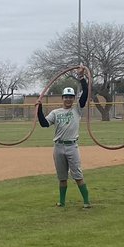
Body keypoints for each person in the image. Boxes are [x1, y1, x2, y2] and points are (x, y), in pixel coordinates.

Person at [36, 76, 91, 208]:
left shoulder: (77, 110)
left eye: (70, 97)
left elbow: (84, 96)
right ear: (62, 98)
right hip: (59, 147)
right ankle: (62, 202)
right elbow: (44, 124)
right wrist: (39, 108)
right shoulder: (56, 112)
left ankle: (86, 202)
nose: (68, 99)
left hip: (72, 146)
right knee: (62, 178)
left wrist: (82, 78)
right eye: (66, 97)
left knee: (78, 176)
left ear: (73, 98)